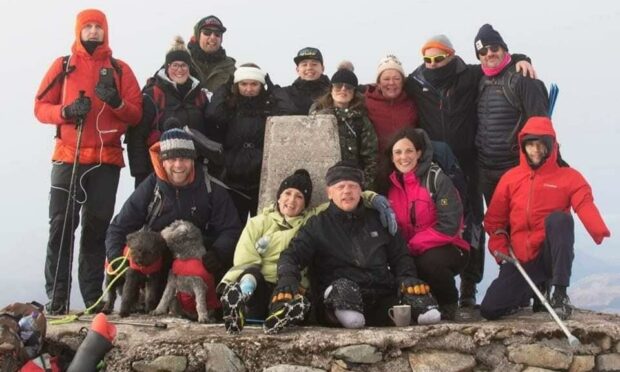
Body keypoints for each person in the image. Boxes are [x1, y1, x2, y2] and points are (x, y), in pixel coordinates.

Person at [405, 34, 537, 308]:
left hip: (470, 163)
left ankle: (469, 286)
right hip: (435, 166)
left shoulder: (470, 75)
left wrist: (522, 59)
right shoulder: (415, 82)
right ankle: (438, 287)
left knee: (475, 221)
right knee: (435, 223)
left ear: (451, 55)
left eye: (439, 57)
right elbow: (385, 87)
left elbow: (497, 64)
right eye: (427, 58)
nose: (433, 63)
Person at [34, 9, 142, 314]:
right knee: (61, 228)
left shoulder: (120, 70)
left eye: (98, 27)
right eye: (88, 27)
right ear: (79, 31)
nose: (93, 32)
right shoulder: (63, 66)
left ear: (105, 31)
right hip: (68, 157)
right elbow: (40, 106)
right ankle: (56, 299)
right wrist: (66, 112)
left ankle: (93, 297)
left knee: (97, 231)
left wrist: (115, 102)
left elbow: (136, 113)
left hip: (106, 160)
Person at [218, 169, 397, 334]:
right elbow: (244, 258)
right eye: (287, 194)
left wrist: (372, 198)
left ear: (305, 204)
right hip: (260, 283)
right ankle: (239, 301)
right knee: (250, 274)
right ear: (278, 197)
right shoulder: (258, 223)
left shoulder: (309, 221)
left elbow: (342, 198)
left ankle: (281, 314)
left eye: (299, 197)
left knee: (294, 294)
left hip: (289, 284)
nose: (291, 200)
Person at [268, 161, 439, 333]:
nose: (347, 191)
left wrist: (406, 278)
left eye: (353, 186)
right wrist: (287, 280)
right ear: (329, 193)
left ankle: (415, 310)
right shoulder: (317, 225)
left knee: (420, 300)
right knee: (344, 290)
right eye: (340, 186)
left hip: (381, 293)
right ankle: (345, 312)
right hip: (336, 295)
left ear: (361, 191)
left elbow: (400, 256)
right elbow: (291, 256)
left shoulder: (379, 220)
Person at [480, 116, 610, 320]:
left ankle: (558, 293)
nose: (536, 150)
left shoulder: (568, 177)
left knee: (560, 220)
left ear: (551, 146)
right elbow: (494, 221)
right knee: (490, 309)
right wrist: (501, 250)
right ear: (523, 147)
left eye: (541, 145)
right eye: (531, 145)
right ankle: (534, 291)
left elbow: (584, 201)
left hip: (548, 255)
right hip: (519, 259)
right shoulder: (511, 178)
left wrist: (598, 229)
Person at [106, 129, 242, 298]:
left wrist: (218, 253)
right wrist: (116, 260)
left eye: (184, 158)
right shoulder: (150, 187)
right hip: (156, 261)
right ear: (162, 161)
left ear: (193, 160)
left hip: (196, 259)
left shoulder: (211, 188)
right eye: (172, 159)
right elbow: (118, 228)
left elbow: (231, 229)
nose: (178, 165)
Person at [377, 128, 469, 320]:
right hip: (406, 251)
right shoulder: (387, 185)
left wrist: (412, 246)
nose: (404, 157)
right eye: (398, 152)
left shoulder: (437, 179)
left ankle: (448, 302)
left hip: (446, 248)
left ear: (419, 153)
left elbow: (450, 224)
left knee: (429, 262)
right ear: (392, 157)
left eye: (409, 151)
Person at [474, 24, 549, 205]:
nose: (489, 53)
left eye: (494, 48)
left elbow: (541, 125)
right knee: (497, 225)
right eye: (483, 51)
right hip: (486, 171)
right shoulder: (480, 79)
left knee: (519, 225)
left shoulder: (522, 78)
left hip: (516, 168)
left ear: (504, 49)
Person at [126, 35, 210, 188]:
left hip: (192, 168)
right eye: (175, 65)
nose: (180, 70)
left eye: (184, 65)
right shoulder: (152, 96)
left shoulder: (200, 96)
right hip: (157, 169)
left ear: (189, 67)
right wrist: (140, 174)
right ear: (167, 67)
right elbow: (136, 136)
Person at [205, 63, 275, 223]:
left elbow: (287, 111)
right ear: (236, 85)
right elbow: (212, 113)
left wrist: (272, 88)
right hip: (233, 178)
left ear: (261, 85)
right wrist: (226, 85)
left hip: (261, 177)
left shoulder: (268, 107)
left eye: (254, 84)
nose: (249, 89)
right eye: (244, 84)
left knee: (263, 228)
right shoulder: (229, 107)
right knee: (234, 227)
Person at [310, 67, 379, 190]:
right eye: (338, 86)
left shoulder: (361, 120)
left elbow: (371, 158)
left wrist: (365, 187)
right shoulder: (316, 116)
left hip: (351, 182)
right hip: (322, 181)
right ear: (331, 90)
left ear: (354, 93)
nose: (343, 89)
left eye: (348, 87)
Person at [362, 55, 418, 153]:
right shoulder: (366, 103)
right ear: (378, 84)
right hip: (375, 164)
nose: (391, 83)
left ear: (403, 82)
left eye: (396, 78)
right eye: (386, 79)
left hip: (405, 162)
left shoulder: (413, 103)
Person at [272, 47, 331, 115]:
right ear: (297, 70)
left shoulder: (334, 93)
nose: (309, 68)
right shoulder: (283, 94)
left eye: (314, 64)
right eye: (304, 65)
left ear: (322, 68)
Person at [187, 15, 236, 93]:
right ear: (197, 36)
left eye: (217, 34)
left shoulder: (230, 68)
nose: (213, 37)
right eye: (207, 33)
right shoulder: (181, 60)